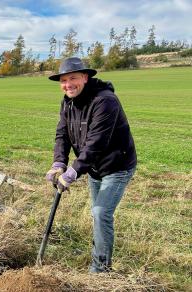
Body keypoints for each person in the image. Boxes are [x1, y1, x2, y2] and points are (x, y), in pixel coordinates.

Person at [45, 57, 137, 273]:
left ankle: (100, 270)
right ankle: (99, 254)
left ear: (85, 77)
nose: (68, 84)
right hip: (94, 167)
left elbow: (96, 143)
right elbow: (62, 134)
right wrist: (59, 161)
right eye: (64, 80)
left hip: (117, 165)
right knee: (97, 214)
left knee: (100, 212)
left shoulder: (105, 101)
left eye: (73, 78)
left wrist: (73, 172)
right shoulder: (67, 101)